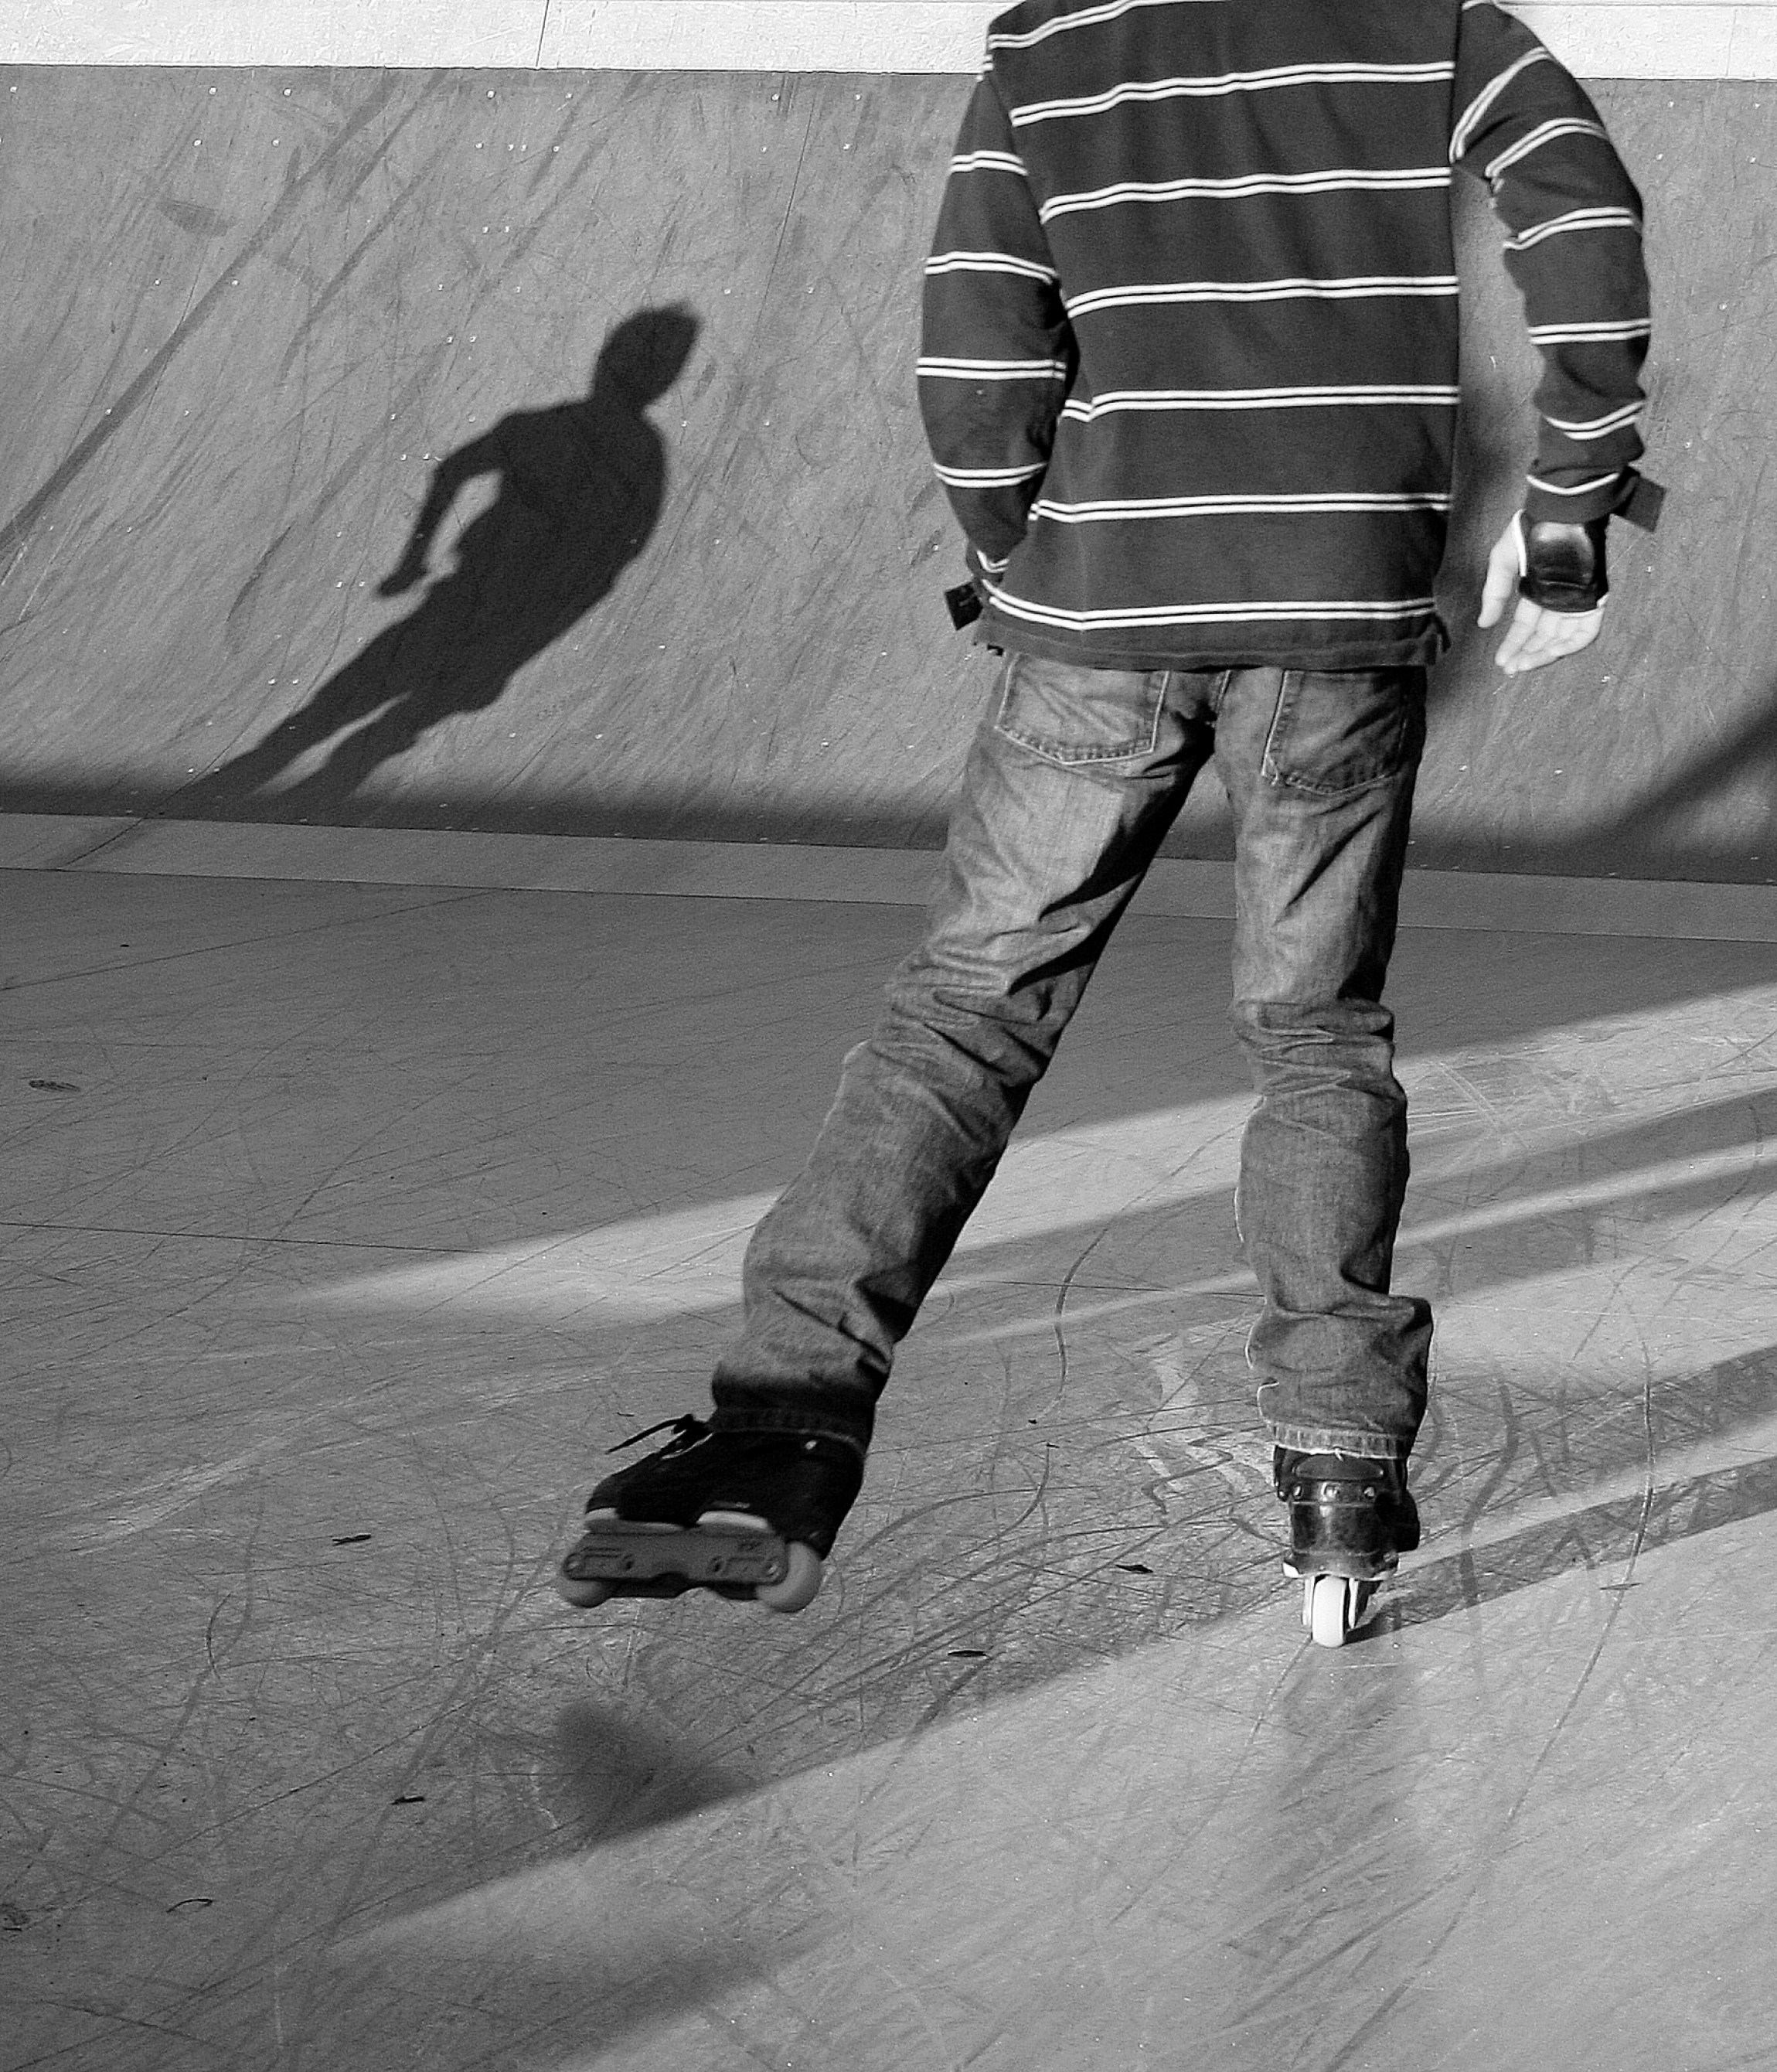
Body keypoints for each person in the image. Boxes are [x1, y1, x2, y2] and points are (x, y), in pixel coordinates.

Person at [556, 0, 1663, 1643]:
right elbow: (1581, 212)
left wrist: (1018, 558)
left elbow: (976, 360)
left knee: (963, 1015)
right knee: (1316, 1038)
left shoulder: (1050, 44)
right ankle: (1339, 1476)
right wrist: (1566, 508)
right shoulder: (1435, 23)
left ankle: (782, 1428)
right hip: (1336, 603)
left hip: (1099, 610)